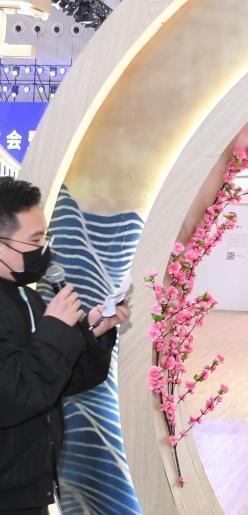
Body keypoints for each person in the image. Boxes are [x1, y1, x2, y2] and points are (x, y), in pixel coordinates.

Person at [0, 177, 130, 514]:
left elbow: (56, 380)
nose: (44, 249)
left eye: (46, 237)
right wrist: (56, 331)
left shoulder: (26, 296)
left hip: (32, 482)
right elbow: (11, 395)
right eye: (35, 240)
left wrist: (91, 334)